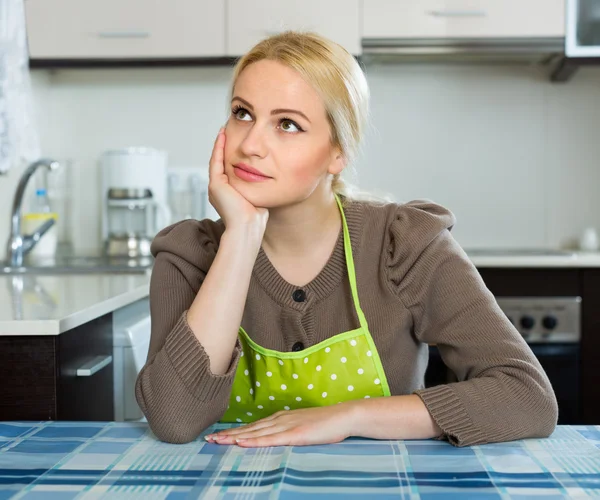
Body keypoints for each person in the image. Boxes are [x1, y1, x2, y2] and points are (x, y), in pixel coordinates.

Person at [135, 31, 558, 448]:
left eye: (287, 124)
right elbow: (175, 420)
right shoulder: (191, 255)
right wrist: (241, 236)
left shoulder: (404, 246)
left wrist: (348, 416)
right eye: (242, 113)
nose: (250, 145)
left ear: (338, 153)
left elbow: (526, 395)